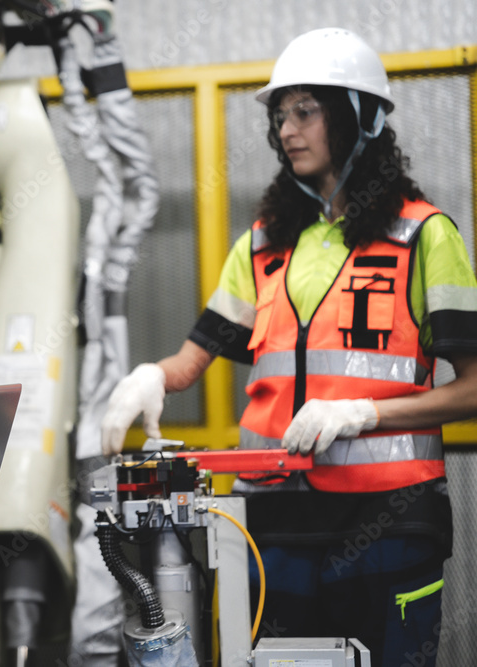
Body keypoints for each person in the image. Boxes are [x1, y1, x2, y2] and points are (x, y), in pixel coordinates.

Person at [100, 27, 477, 667]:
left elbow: (472, 388)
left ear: (359, 118)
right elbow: (191, 362)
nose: (287, 130)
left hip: (389, 525)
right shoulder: (262, 246)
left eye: (306, 111)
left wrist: (362, 413)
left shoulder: (424, 236)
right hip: (272, 532)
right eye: (280, 115)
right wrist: (151, 377)